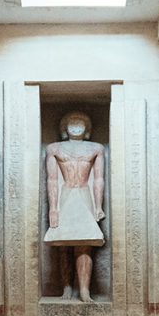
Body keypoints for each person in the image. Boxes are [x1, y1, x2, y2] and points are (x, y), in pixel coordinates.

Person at [44, 111, 106, 303]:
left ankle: (85, 291)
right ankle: (67, 287)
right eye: (72, 123)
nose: (77, 126)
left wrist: (98, 206)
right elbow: (52, 180)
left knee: (85, 244)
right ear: (65, 127)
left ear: (87, 129)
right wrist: (53, 209)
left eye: (81, 123)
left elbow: (99, 179)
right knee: (63, 244)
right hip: (65, 195)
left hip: (84, 195)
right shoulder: (54, 148)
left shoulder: (95, 148)